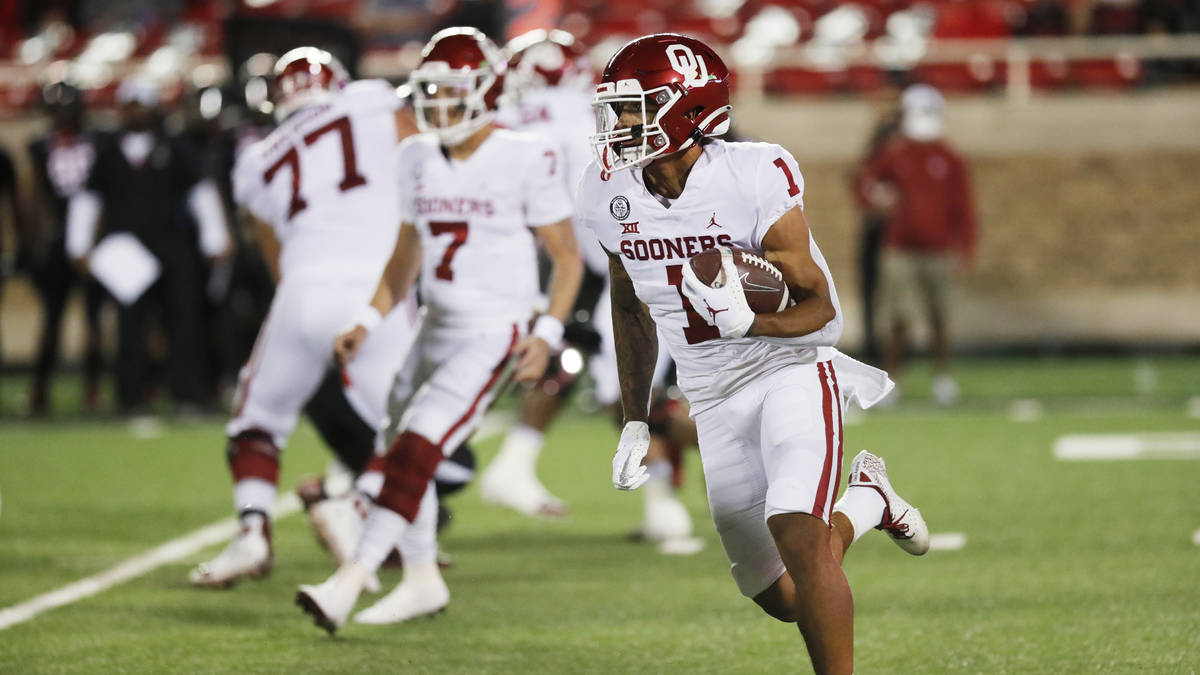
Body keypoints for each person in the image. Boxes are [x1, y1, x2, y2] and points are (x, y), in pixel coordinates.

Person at [580, 34, 929, 674]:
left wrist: (752, 322)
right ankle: (868, 502)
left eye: (638, 106)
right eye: (617, 107)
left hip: (787, 371)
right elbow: (629, 307)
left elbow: (824, 310)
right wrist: (635, 418)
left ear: (688, 108)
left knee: (796, 526)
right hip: (709, 396)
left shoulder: (753, 171)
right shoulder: (606, 187)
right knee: (784, 596)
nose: (621, 123)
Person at [295, 26, 582, 632]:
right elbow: (406, 256)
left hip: (494, 330)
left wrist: (549, 332)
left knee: (417, 447)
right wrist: (368, 319)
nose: (439, 104)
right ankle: (422, 579)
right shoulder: (415, 156)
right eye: (431, 91)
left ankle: (349, 582)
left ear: (487, 90)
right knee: (396, 445)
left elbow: (568, 257)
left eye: (453, 91)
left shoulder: (528, 152)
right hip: (433, 327)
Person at [187, 48, 421, 589]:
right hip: (376, 282)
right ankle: (355, 505)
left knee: (256, 421)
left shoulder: (256, 156)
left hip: (301, 289)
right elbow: (422, 165)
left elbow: (273, 256)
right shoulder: (368, 101)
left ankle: (251, 533)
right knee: (412, 429)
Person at [481, 30, 703, 553]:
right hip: (620, 262)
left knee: (608, 383)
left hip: (563, 263)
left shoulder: (505, 126)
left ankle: (663, 503)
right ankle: (752, 455)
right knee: (641, 397)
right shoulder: (588, 116)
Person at [66, 74, 233, 415]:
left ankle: (188, 395)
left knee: (185, 320)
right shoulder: (108, 151)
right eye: (131, 106)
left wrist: (215, 237)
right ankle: (131, 398)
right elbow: (87, 200)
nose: (137, 113)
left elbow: (201, 193)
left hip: (174, 245)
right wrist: (78, 244)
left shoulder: (175, 148)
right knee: (130, 325)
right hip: (126, 251)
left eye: (142, 106)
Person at [856, 84, 976, 406]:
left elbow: (963, 207)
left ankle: (942, 377)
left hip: (938, 251)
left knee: (940, 318)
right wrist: (875, 201)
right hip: (900, 249)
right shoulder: (895, 153)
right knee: (897, 320)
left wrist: (964, 248)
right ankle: (893, 381)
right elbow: (864, 182)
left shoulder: (949, 157)